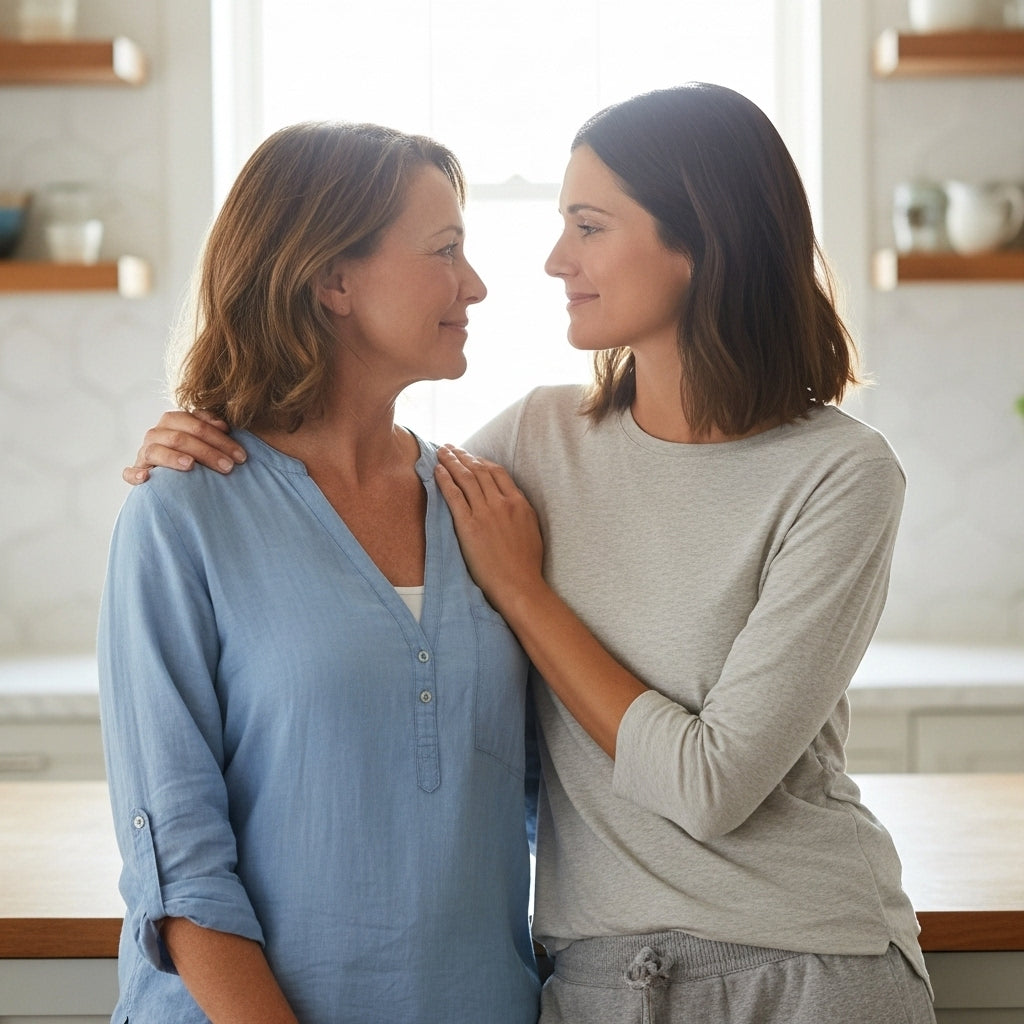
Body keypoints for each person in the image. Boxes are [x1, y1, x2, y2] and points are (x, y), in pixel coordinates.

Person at [124, 84, 936, 1024]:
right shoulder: (527, 449)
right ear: (329, 282)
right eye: (450, 251)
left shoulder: (839, 473)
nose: (548, 262)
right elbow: (317, 498)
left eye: (588, 226)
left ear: (700, 240)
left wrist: (522, 591)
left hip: (805, 967)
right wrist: (174, 454)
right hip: (597, 981)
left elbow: (707, 782)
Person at [98, 121, 540, 1024]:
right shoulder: (184, 509)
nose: (477, 284)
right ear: (333, 279)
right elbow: (178, 865)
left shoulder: (483, 507)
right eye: (445, 250)